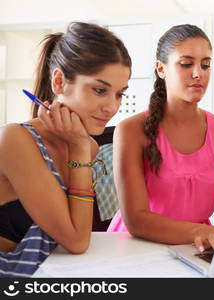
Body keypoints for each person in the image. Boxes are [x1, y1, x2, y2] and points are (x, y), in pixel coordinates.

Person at [0, 22, 131, 277]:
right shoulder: (14, 139)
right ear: (59, 82)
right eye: (100, 90)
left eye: (119, 94)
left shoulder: (88, 145)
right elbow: (76, 240)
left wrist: (82, 147)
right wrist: (80, 149)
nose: (111, 107)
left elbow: (77, 236)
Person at [107, 24, 214, 252]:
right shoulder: (130, 130)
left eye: (205, 65)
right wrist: (196, 232)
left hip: (197, 246)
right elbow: (136, 220)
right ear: (161, 69)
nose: (198, 73)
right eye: (186, 64)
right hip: (135, 246)